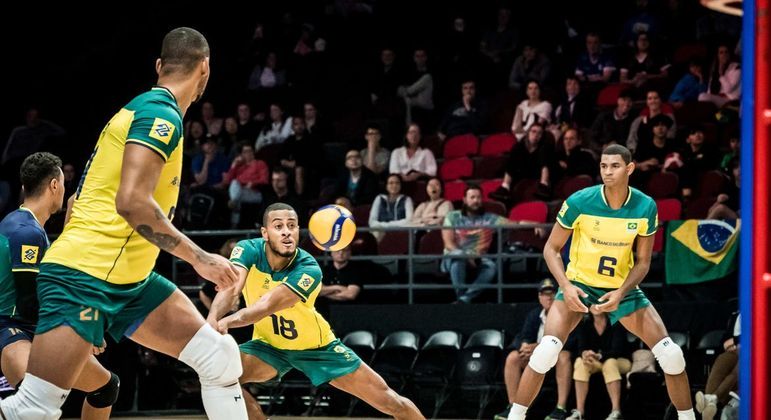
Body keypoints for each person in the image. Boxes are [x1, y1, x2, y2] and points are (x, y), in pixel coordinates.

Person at [0, 28, 247, 419]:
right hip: (83, 276)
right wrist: (200, 258)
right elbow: (131, 203)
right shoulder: (159, 114)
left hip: (129, 279)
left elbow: (89, 194)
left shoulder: (140, 108)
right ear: (205, 68)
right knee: (33, 410)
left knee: (220, 359)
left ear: (159, 66)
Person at [506, 145, 695, 420]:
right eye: (604, 166)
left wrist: (622, 291)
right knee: (546, 351)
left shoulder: (645, 206)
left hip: (621, 288)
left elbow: (643, 262)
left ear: (629, 169)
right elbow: (550, 249)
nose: (607, 171)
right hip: (579, 285)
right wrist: (567, 287)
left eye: (614, 166)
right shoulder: (580, 201)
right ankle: (515, 417)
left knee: (672, 355)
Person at [207, 203, 425, 420]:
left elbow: (264, 308)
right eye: (278, 226)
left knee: (391, 402)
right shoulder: (248, 249)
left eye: (291, 226)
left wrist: (227, 321)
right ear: (265, 233)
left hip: (317, 348)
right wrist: (212, 319)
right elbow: (231, 287)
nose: (286, 231)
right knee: (219, 377)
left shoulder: (309, 268)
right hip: (269, 345)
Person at [0, 153, 117, 419]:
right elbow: (30, 302)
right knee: (35, 407)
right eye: (63, 183)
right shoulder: (25, 231)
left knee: (106, 387)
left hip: (30, 327)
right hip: (11, 327)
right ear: (54, 185)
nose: (64, 190)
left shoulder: (29, 227)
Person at [495, 279, 574, 420]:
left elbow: (573, 340)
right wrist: (525, 345)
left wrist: (540, 347)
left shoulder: (566, 313)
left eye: (552, 293)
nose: (549, 297)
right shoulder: (534, 314)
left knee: (564, 356)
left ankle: (560, 407)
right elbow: (524, 335)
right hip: (536, 358)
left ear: (559, 295)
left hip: (556, 356)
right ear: (539, 296)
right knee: (513, 357)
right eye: (545, 293)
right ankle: (513, 405)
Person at [441, 185, 511, 304]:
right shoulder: (452, 216)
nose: (475, 201)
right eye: (472, 197)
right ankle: (461, 296)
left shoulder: (490, 219)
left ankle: (464, 299)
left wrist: (535, 226)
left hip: (479, 258)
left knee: (491, 267)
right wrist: (466, 256)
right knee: (458, 260)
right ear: (465, 200)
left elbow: (516, 223)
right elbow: (448, 243)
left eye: (478, 197)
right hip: (454, 257)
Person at [566, 312, 631, 420]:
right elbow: (581, 347)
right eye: (592, 302)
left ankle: (616, 411)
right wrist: (585, 354)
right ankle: (579, 412)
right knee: (580, 362)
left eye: (599, 302)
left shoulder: (616, 322)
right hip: (596, 361)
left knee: (610, 363)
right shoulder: (584, 324)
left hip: (620, 361)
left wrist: (599, 356)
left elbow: (617, 350)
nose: (596, 305)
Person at [695, 312, 740, 420]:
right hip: (736, 350)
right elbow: (724, 342)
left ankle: (714, 398)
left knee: (743, 363)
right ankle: (709, 399)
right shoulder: (737, 315)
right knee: (722, 358)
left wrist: (735, 340)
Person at [369, 174, 414, 239]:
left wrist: (386, 225)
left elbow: (409, 220)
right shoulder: (379, 198)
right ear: (386, 185)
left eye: (397, 183)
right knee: (376, 231)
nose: (394, 185)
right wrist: (385, 227)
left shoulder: (407, 199)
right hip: (381, 231)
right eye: (391, 183)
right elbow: (372, 222)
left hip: (400, 231)